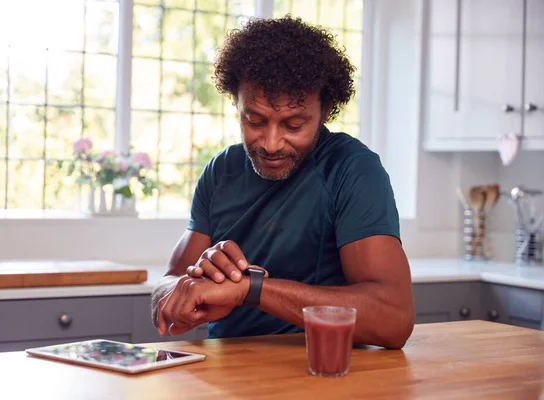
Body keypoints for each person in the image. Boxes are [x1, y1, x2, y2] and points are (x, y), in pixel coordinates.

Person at [151, 15, 415, 349]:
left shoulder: (352, 170)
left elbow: (394, 319)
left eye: (293, 124)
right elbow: (165, 286)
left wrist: (252, 289)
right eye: (255, 120)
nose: (271, 143)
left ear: (326, 110)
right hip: (227, 372)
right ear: (236, 105)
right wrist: (188, 293)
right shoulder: (221, 171)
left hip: (320, 370)